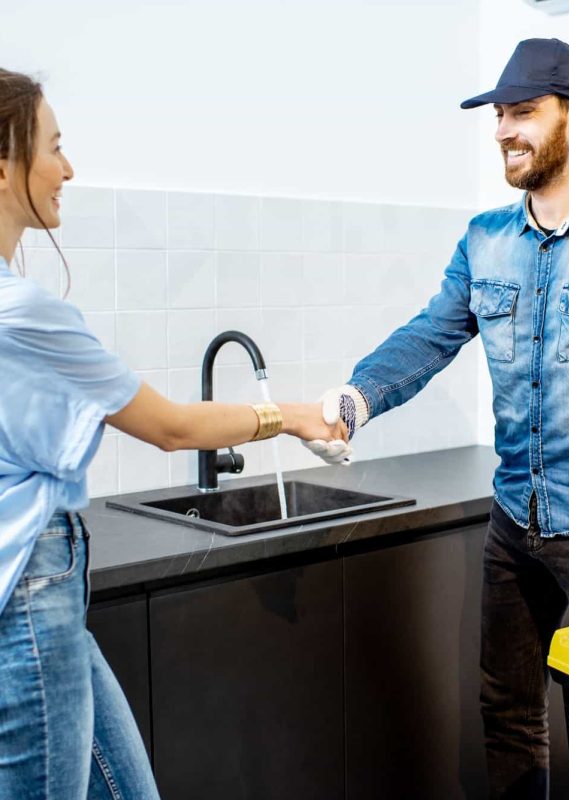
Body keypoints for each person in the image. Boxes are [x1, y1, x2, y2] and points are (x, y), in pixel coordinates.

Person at [305, 38, 569, 800]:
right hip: (515, 523)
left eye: (523, 112)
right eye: (499, 114)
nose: (504, 129)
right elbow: (432, 333)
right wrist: (358, 397)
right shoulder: (485, 240)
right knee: (507, 712)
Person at [0, 69, 348, 800]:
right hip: (30, 593)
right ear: (5, 165)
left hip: (38, 591)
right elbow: (171, 427)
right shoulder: (25, 313)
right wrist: (296, 416)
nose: (70, 169)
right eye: (54, 148)